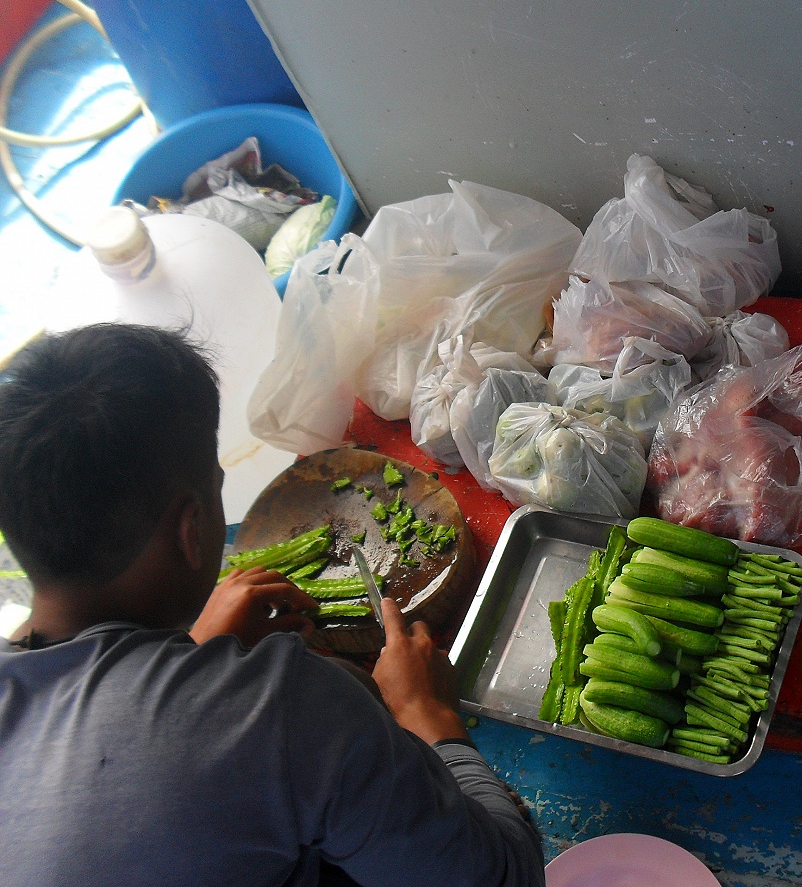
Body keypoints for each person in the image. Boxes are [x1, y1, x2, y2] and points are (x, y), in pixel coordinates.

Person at [0, 323, 544, 886]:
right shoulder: (280, 706)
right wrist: (430, 720)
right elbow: (503, 877)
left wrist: (190, 654)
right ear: (191, 532)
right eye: (215, 485)